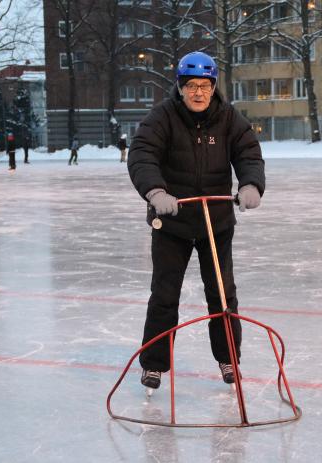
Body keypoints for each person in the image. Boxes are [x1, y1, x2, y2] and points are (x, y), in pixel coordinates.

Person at [127, 51, 265, 390]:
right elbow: (142, 155)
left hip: (215, 223)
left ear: (214, 86)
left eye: (204, 85)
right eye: (191, 86)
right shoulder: (163, 117)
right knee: (164, 294)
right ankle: (154, 364)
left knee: (222, 295)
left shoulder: (229, 118)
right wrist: (156, 192)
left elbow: (249, 153)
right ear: (180, 86)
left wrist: (250, 184)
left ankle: (228, 359)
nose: (198, 93)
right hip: (172, 222)